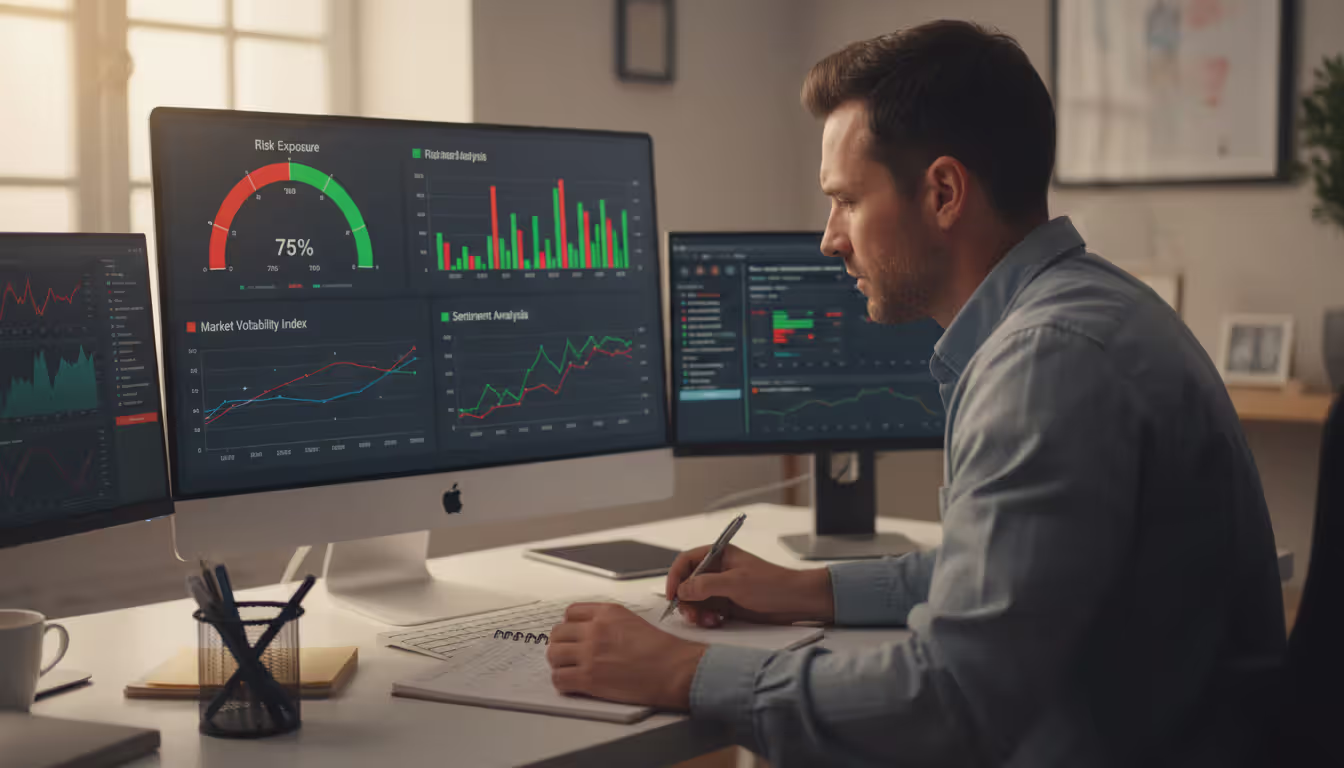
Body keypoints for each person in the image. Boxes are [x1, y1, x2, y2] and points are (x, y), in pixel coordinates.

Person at [547, 20, 1285, 767]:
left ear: (942, 192)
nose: (830, 238)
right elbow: (999, 576)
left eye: (846, 200)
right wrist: (803, 590)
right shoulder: (1085, 311)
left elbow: (952, 702)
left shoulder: (1045, 362)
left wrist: (679, 669)